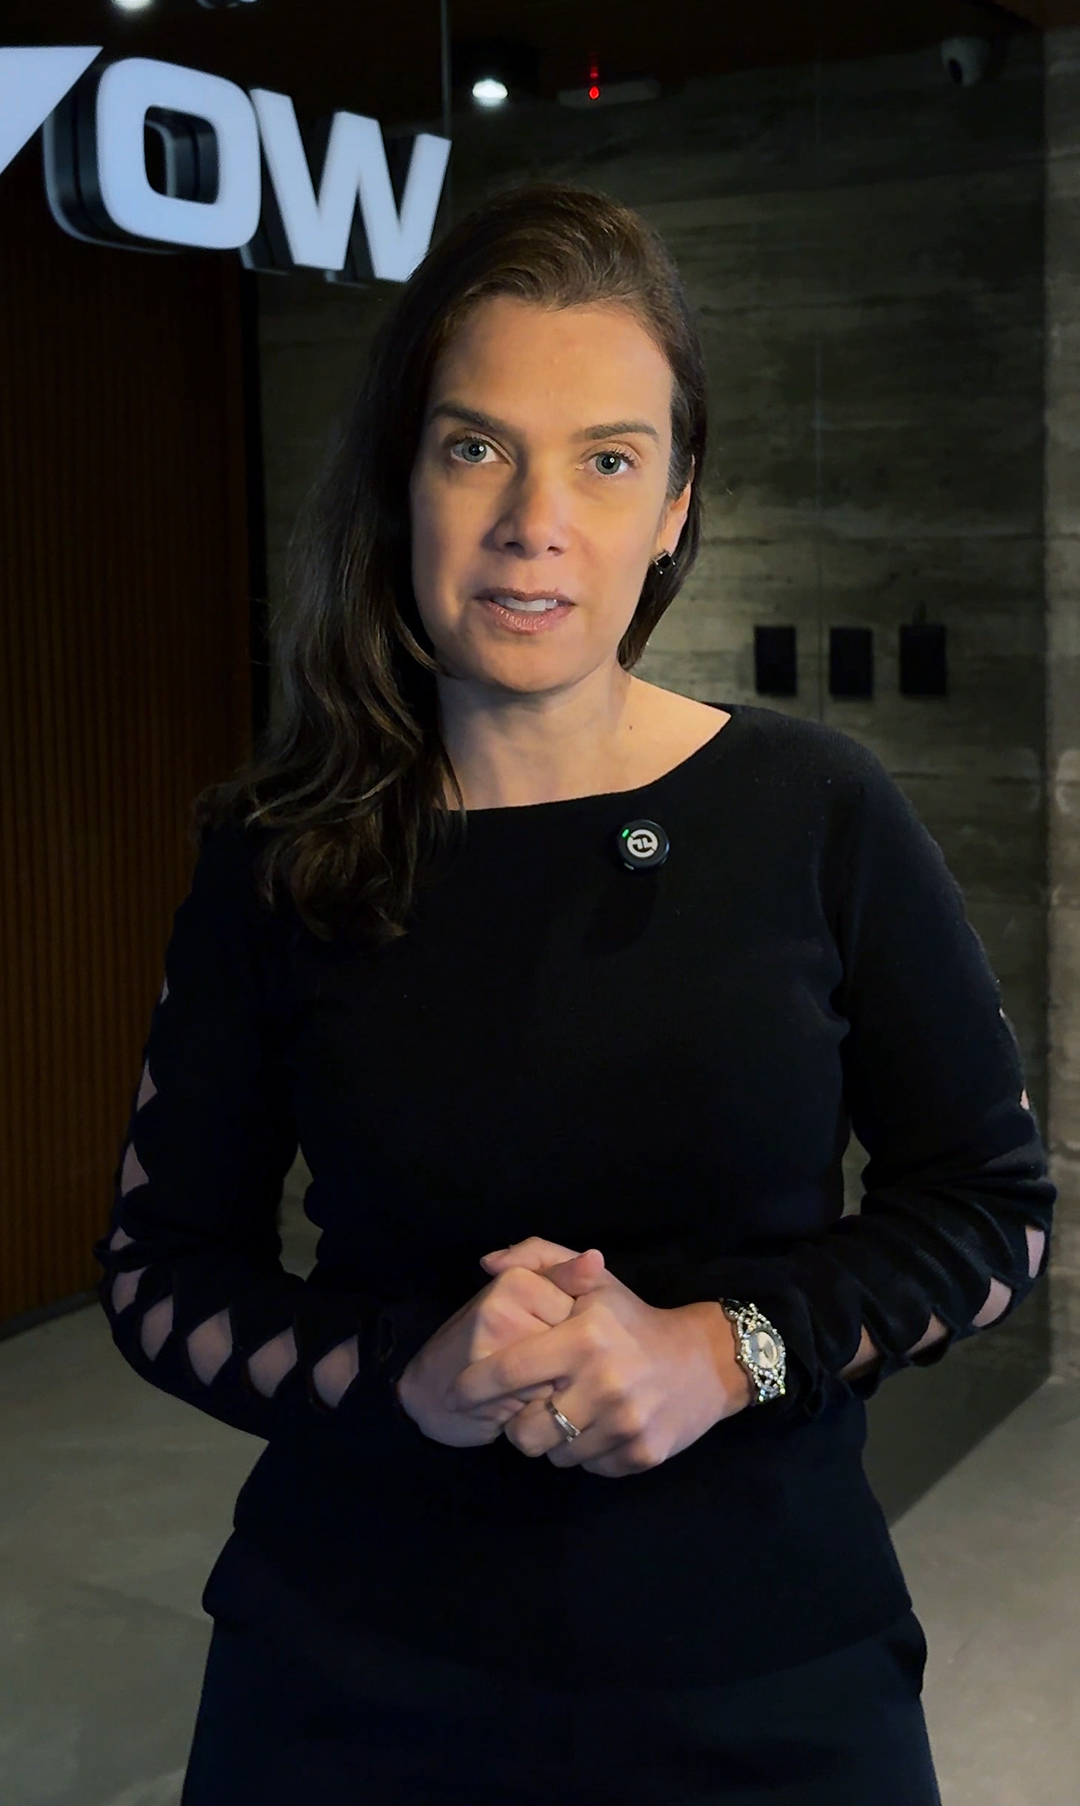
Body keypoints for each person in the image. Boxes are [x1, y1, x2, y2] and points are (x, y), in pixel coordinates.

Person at [93, 179, 1055, 1805]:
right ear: (401, 479)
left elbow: (995, 1211)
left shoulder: (819, 811)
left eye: (607, 460)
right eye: (477, 447)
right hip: (349, 1676)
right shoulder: (278, 852)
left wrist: (725, 1350)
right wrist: (406, 1375)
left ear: (675, 507)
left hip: (765, 1675)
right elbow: (155, 1271)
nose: (535, 520)